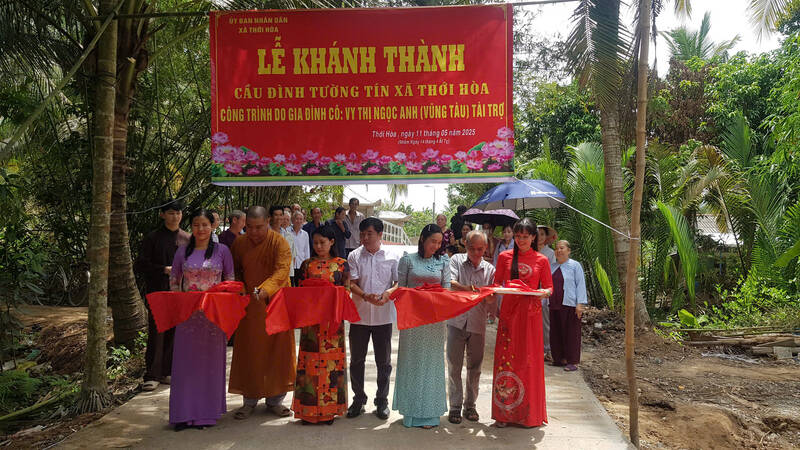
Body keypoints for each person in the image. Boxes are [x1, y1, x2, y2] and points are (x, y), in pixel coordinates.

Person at [168, 209, 234, 430]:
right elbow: (175, 282)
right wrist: (180, 307)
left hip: (213, 317)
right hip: (188, 316)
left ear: (212, 226)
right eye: (196, 224)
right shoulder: (182, 252)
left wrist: (222, 305)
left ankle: (206, 412)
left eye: (205, 224)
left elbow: (230, 280)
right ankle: (182, 414)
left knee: (209, 365)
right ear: (191, 227)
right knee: (185, 364)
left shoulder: (223, 251)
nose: (201, 229)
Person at [229, 206, 296, 419]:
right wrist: (241, 290)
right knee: (250, 351)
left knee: (278, 351)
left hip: (275, 303)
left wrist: (264, 289)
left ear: (268, 221)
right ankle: (249, 400)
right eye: (249, 227)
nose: (254, 232)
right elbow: (236, 271)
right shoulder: (239, 243)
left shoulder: (280, 242)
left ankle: (275, 400)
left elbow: (282, 271)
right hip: (250, 306)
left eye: (259, 227)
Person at [492, 218, 553, 428]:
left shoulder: (542, 260)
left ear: (534, 237)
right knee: (506, 359)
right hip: (509, 315)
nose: (520, 240)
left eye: (525, 237)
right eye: (517, 236)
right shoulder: (504, 257)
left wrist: (543, 293)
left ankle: (529, 415)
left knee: (529, 361)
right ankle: (504, 413)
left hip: (531, 317)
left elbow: (548, 287)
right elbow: (495, 283)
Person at [392, 224, 451, 428]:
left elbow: (447, 290)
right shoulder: (407, 260)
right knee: (412, 362)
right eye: (432, 241)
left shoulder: (444, 261)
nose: (435, 245)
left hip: (434, 321)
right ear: (423, 239)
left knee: (432, 363)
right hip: (413, 320)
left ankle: (430, 412)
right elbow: (401, 289)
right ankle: (410, 411)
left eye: (439, 242)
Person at [292, 225, 350, 424]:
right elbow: (299, 293)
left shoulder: (342, 264)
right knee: (309, 366)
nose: (318, 246)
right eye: (315, 243)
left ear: (332, 242)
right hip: (311, 324)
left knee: (331, 367)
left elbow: (346, 292)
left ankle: (329, 411)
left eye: (322, 242)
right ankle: (307, 411)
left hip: (332, 324)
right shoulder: (306, 265)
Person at [346, 218, 400, 420]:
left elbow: (397, 282)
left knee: (383, 362)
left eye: (369, 233)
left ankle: (382, 401)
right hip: (359, 315)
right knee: (357, 360)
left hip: (383, 316)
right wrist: (365, 295)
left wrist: (388, 293)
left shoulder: (393, 256)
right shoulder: (354, 255)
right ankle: (358, 399)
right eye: (362, 234)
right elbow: (351, 283)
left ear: (380, 235)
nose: (365, 238)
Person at [135, 199, 190, 391]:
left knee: (175, 332)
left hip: (180, 293)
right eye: (171, 213)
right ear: (162, 214)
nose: (175, 216)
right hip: (158, 290)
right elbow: (141, 264)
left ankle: (168, 371)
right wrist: (163, 269)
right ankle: (152, 374)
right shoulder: (152, 238)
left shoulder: (187, 238)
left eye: (178, 213)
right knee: (157, 332)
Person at [446, 231, 496, 424]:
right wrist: (472, 290)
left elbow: (491, 297)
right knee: (454, 366)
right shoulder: (456, 261)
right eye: (472, 248)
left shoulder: (490, 269)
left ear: (486, 248)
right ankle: (455, 407)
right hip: (456, 321)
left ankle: (470, 406)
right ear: (465, 246)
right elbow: (450, 283)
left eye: (480, 249)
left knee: (475, 368)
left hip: (477, 323)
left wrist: (490, 296)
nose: (476, 253)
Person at [549, 241, 588, 371]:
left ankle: (572, 361)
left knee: (571, 333)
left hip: (570, 304)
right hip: (554, 304)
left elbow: (580, 285)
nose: (559, 250)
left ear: (569, 250)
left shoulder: (575, 266)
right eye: (556, 248)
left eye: (562, 248)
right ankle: (559, 358)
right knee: (556, 332)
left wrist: (580, 304)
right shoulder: (552, 266)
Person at [537, 226, 557, 361]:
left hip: (543, 290)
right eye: (537, 234)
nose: (540, 237)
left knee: (545, 320)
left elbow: (552, 272)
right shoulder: (528, 250)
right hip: (529, 289)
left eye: (543, 234)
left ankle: (547, 348)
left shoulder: (550, 253)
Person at [289, 211, 310, 287]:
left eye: (301, 219)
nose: (299, 221)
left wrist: (307, 263)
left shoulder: (305, 234)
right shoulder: (287, 232)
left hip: (301, 263)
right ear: (292, 220)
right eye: (297, 219)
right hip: (290, 264)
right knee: (291, 286)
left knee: (300, 285)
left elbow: (306, 249)